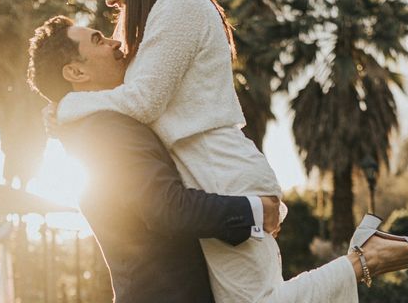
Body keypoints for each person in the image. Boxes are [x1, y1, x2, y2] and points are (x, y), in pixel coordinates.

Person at [50, 0, 408, 302]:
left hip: (220, 168)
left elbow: (142, 101)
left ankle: (366, 259)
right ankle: (366, 256)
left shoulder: (180, 5)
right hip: (204, 175)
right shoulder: (159, 20)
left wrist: (68, 105)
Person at [28, 16, 282, 303]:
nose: (115, 42)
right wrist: (256, 212)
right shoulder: (107, 132)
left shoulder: (91, 126)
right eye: (98, 40)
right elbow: (168, 208)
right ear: (75, 72)